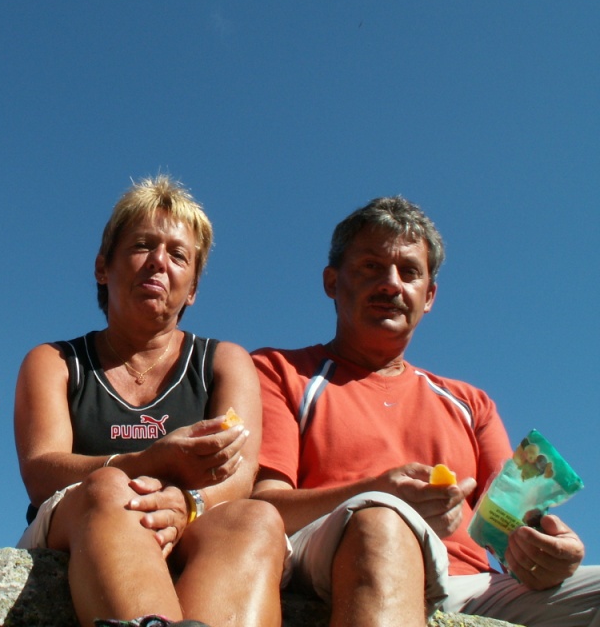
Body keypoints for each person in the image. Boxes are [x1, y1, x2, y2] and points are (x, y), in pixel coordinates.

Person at [252, 196, 599, 627]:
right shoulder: (279, 371)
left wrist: (549, 549)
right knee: (382, 519)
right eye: (371, 266)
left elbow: (512, 523)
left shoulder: (472, 403)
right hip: (335, 558)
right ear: (332, 281)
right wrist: (377, 492)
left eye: (409, 272)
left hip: (470, 584)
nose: (391, 284)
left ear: (429, 295)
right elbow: (265, 506)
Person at [14, 176, 286, 627]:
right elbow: (41, 473)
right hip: (76, 524)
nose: (159, 262)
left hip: (193, 523)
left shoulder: (223, 361)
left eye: (179, 255)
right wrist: (148, 461)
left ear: (192, 288)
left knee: (255, 518)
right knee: (109, 488)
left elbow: (239, 475)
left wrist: (188, 503)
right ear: (103, 267)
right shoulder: (56, 362)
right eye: (142, 245)